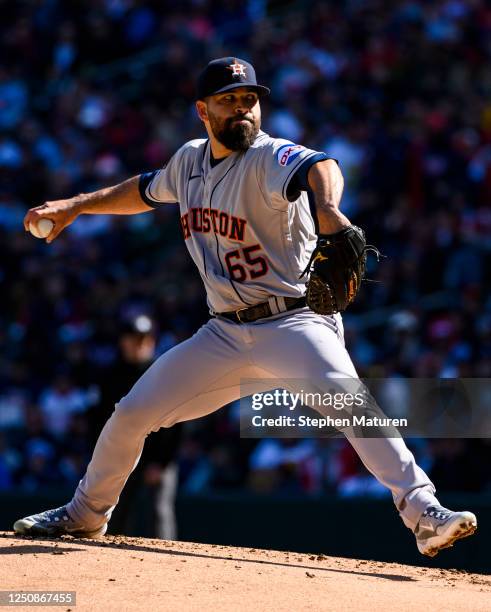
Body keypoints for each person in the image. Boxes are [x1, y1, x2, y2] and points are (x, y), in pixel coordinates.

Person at [15, 57, 476, 557]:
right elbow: (144, 190)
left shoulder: (267, 156)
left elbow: (320, 165)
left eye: (250, 100)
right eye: (229, 101)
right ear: (203, 110)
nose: (242, 109)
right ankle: (84, 515)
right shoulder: (189, 161)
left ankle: (425, 512)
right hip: (224, 336)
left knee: (352, 406)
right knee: (131, 414)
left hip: (295, 322)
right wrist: (78, 204)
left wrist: (326, 209)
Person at [87, 314, 181, 539]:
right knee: (116, 513)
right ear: (123, 341)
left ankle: (168, 565)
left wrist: (162, 462)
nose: (140, 344)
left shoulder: (162, 371)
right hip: (122, 456)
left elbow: (178, 421)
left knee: (160, 511)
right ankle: (110, 562)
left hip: (157, 457)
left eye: (145, 338)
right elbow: (99, 420)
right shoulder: (110, 376)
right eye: (135, 338)